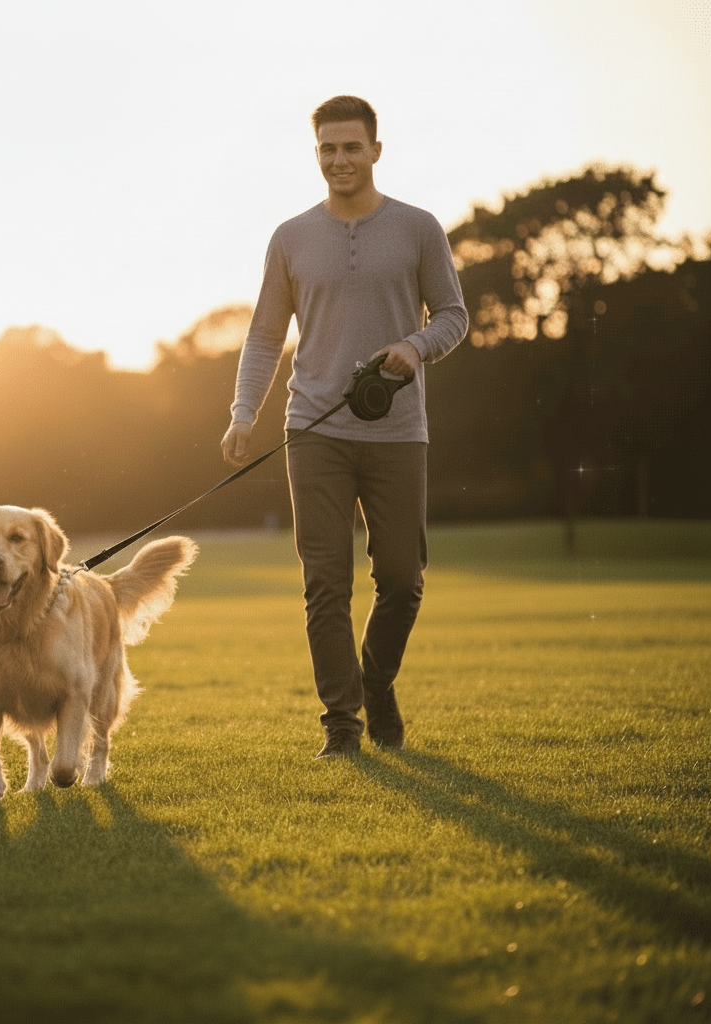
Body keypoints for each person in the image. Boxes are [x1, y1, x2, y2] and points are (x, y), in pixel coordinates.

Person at [221, 95, 468, 758]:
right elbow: (265, 335)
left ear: (375, 151)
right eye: (327, 149)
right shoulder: (291, 237)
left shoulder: (418, 228)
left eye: (351, 147)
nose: (339, 160)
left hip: (398, 431)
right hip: (314, 430)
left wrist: (415, 346)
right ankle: (342, 723)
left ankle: (375, 682)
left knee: (403, 579)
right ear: (317, 154)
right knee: (325, 583)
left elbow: (453, 315)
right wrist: (244, 413)